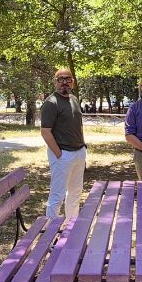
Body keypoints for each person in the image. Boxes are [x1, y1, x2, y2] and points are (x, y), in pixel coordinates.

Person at [40, 68, 87, 219]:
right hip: (62, 154)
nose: (64, 82)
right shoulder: (51, 103)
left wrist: (82, 147)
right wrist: (59, 154)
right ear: (55, 82)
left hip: (79, 153)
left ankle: (71, 226)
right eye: (60, 79)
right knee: (57, 196)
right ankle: (50, 231)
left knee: (75, 193)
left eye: (68, 79)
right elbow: (45, 132)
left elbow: (78, 125)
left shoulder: (74, 99)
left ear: (72, 82)